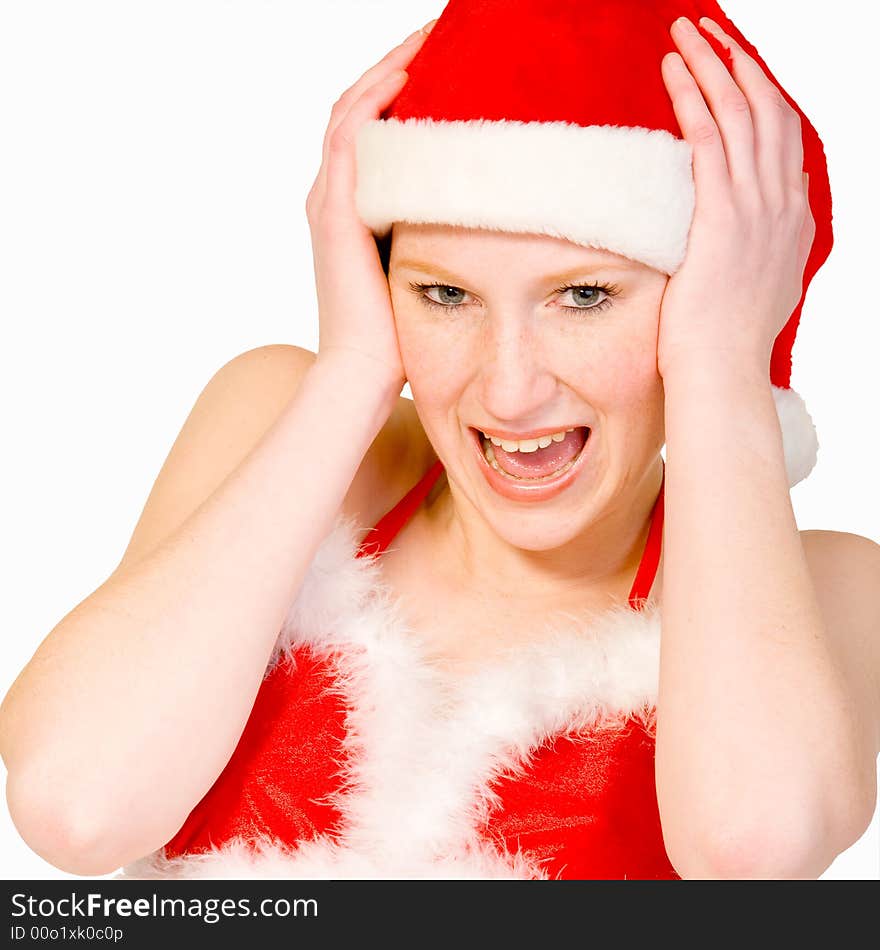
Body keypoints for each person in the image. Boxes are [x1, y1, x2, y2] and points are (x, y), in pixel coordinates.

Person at [1, 0, 878, 880]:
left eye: (583, 296)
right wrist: (352, 368)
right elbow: (76, 808)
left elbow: (756, 852)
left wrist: (729, 369)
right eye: (444, 295)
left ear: (720, 293)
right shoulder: (281, 418)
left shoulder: (826, 589)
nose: (507, 389)